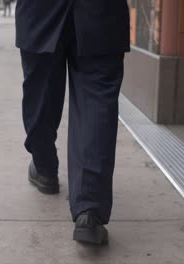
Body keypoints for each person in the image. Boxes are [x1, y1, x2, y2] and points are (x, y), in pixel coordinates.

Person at [16, 0, 130, 244]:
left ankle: (44, 167)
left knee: (41, 92)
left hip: (40, 10)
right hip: (100, 10)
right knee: (95, 97)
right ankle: (89, 210)